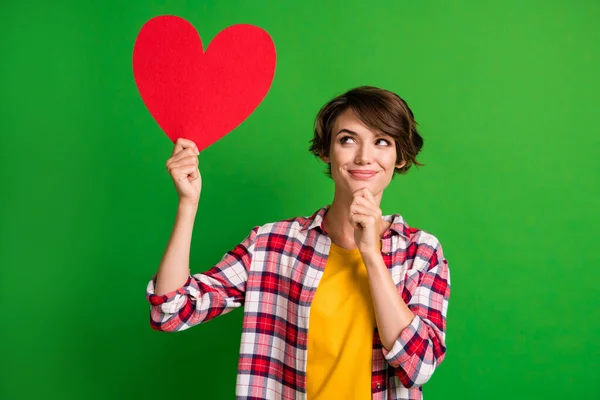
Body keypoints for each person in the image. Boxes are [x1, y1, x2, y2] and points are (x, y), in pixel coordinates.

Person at [146, 86, 451, 400]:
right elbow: (171, 311)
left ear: (400, 158)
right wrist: (188, 203)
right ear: (325, 151)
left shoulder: (421, 253)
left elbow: (418, 367)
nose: (363, 156)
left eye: (382, 142)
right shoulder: (272, 245)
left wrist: (371, 254)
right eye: (348, 139)